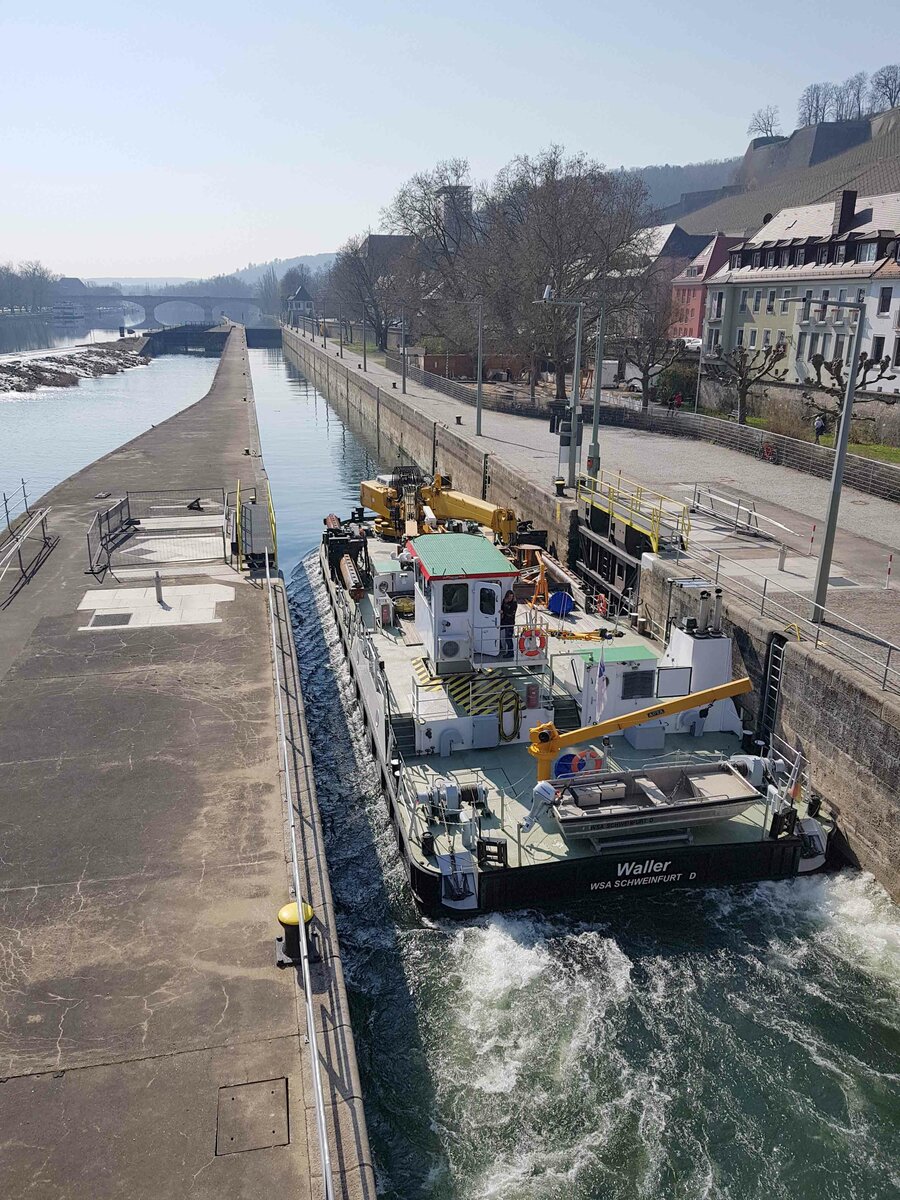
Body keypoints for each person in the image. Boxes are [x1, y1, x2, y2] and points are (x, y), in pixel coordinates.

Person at [500, 589, 517, 658]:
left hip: (510, 622)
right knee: (495, 631)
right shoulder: (504, 601)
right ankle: (499, 645)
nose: (510, 598)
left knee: (508, 638)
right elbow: (502, 607)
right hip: (504, 621)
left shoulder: (514, 604)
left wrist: (503, 612)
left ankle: (511, 652)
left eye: (511, 597)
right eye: (509, 597)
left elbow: (511, 614)